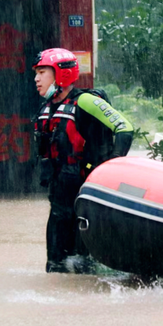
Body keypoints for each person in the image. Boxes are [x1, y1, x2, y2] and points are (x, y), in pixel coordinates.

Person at [33, 48, 134, 273]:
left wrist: (113, 167)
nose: (36, 79)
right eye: (36, 74)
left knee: (82, 263)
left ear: (61, 74)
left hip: (86, 192)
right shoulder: (47, 108)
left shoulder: (86, 101)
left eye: (42, 72)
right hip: (60, 193)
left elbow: (124, 128)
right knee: (55, 265)